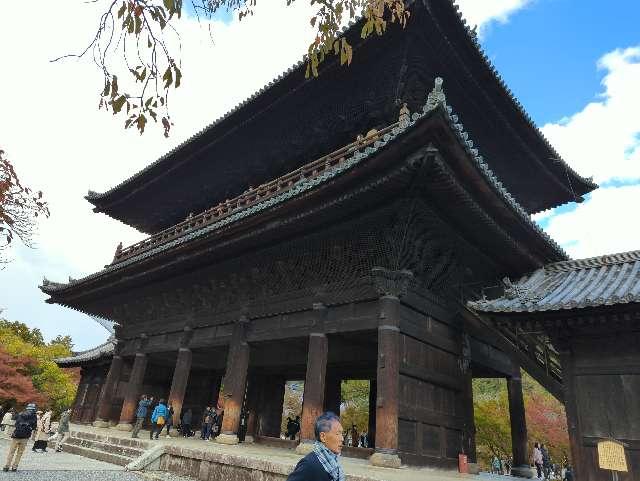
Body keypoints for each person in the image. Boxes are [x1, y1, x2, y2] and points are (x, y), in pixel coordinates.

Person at [286, 412, 344, 481]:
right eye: (337, 434)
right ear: (323, 437)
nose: (342, 439)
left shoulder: (334, 463)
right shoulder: (309, 465)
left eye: (342, 434)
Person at [3, 403, 37, 472]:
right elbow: (34, 427)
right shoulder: (34, 417)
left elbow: (16, 424)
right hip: (25, 437)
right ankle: (14, 467)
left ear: (27, 408)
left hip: (16, 436)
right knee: (20, 453)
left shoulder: (21, 414)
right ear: (33, 409)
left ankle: (7, 466)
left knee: (11, 452)